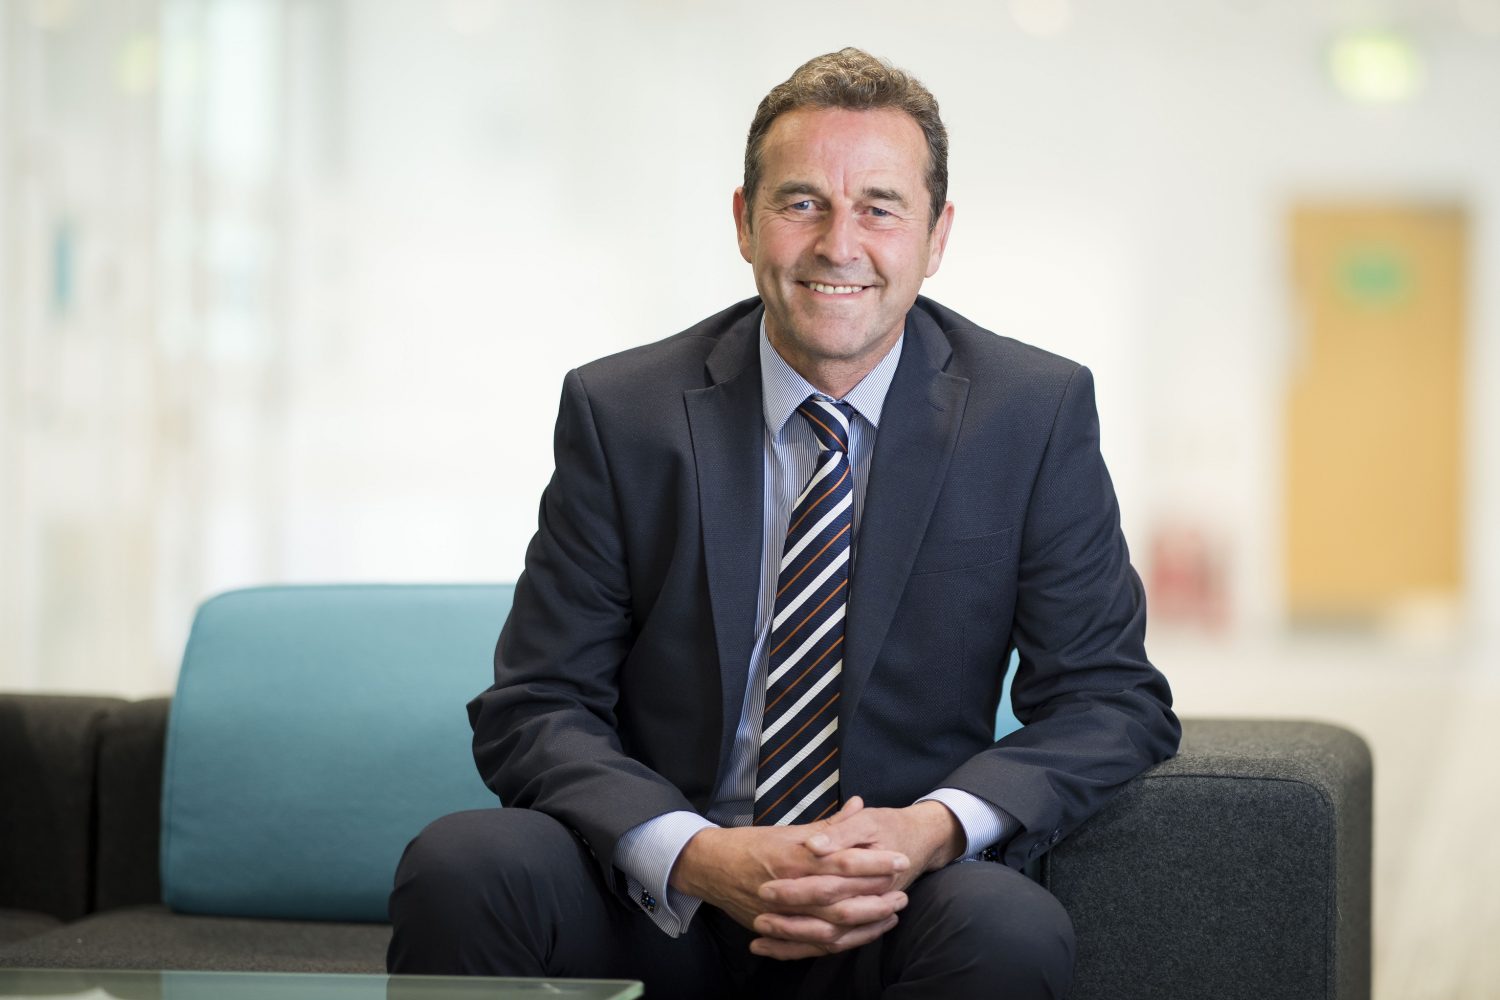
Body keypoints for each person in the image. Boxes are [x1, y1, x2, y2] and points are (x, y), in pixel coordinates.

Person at [387, 47, 1179, 1000]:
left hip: (889, 898)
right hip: (662, 896)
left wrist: (928, 830)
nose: (838, 243)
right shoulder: (625, 411)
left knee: (1010, 932)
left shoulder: (1031, 413)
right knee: (465, 864)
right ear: (743, 221)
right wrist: (695, 853)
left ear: (936, 238)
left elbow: (1110, 701)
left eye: (880, 206)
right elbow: (535, 706)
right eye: (802, 202)